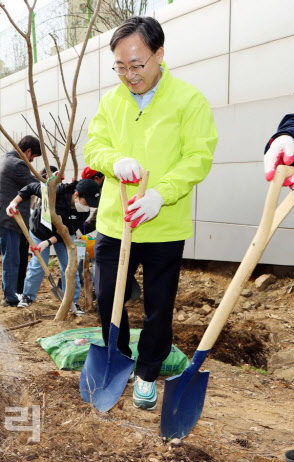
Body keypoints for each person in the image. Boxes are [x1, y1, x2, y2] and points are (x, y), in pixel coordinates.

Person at [84, 16, 217, 411]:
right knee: (108, 297)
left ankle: (146, 373)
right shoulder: (111, 101)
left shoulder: (189, 100)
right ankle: (116, 358)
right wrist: (114, 160)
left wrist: (162, 194)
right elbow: (94, 147)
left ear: (159, 54)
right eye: (120, 67)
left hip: (163, 224)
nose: (128, 75)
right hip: (115, 220)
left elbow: (199, 158)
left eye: (137, 64)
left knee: (160, 305)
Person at [8, 176, 100, 313]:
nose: (87, 207)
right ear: (76, 194)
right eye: (86, 202)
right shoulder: (56, 191)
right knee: (39, 263)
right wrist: (14, 203)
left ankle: (71, 301)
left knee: (70, 267)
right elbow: (31, 187)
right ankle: (28, 296)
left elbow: (68, 231)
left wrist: (48, 242)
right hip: (40, 230)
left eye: (90, 205)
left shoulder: (83, 212)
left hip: (63, 236)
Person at [0, 135, 40, 307]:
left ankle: (9, 293)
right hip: (7, 220)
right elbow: (35, 186)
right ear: (28, 151)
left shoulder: (6, 158)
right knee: (12, 260)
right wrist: (52, 187)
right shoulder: (18, 164)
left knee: (9, 258)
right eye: (33, 157)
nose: (32, 161)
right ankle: (9, 298)